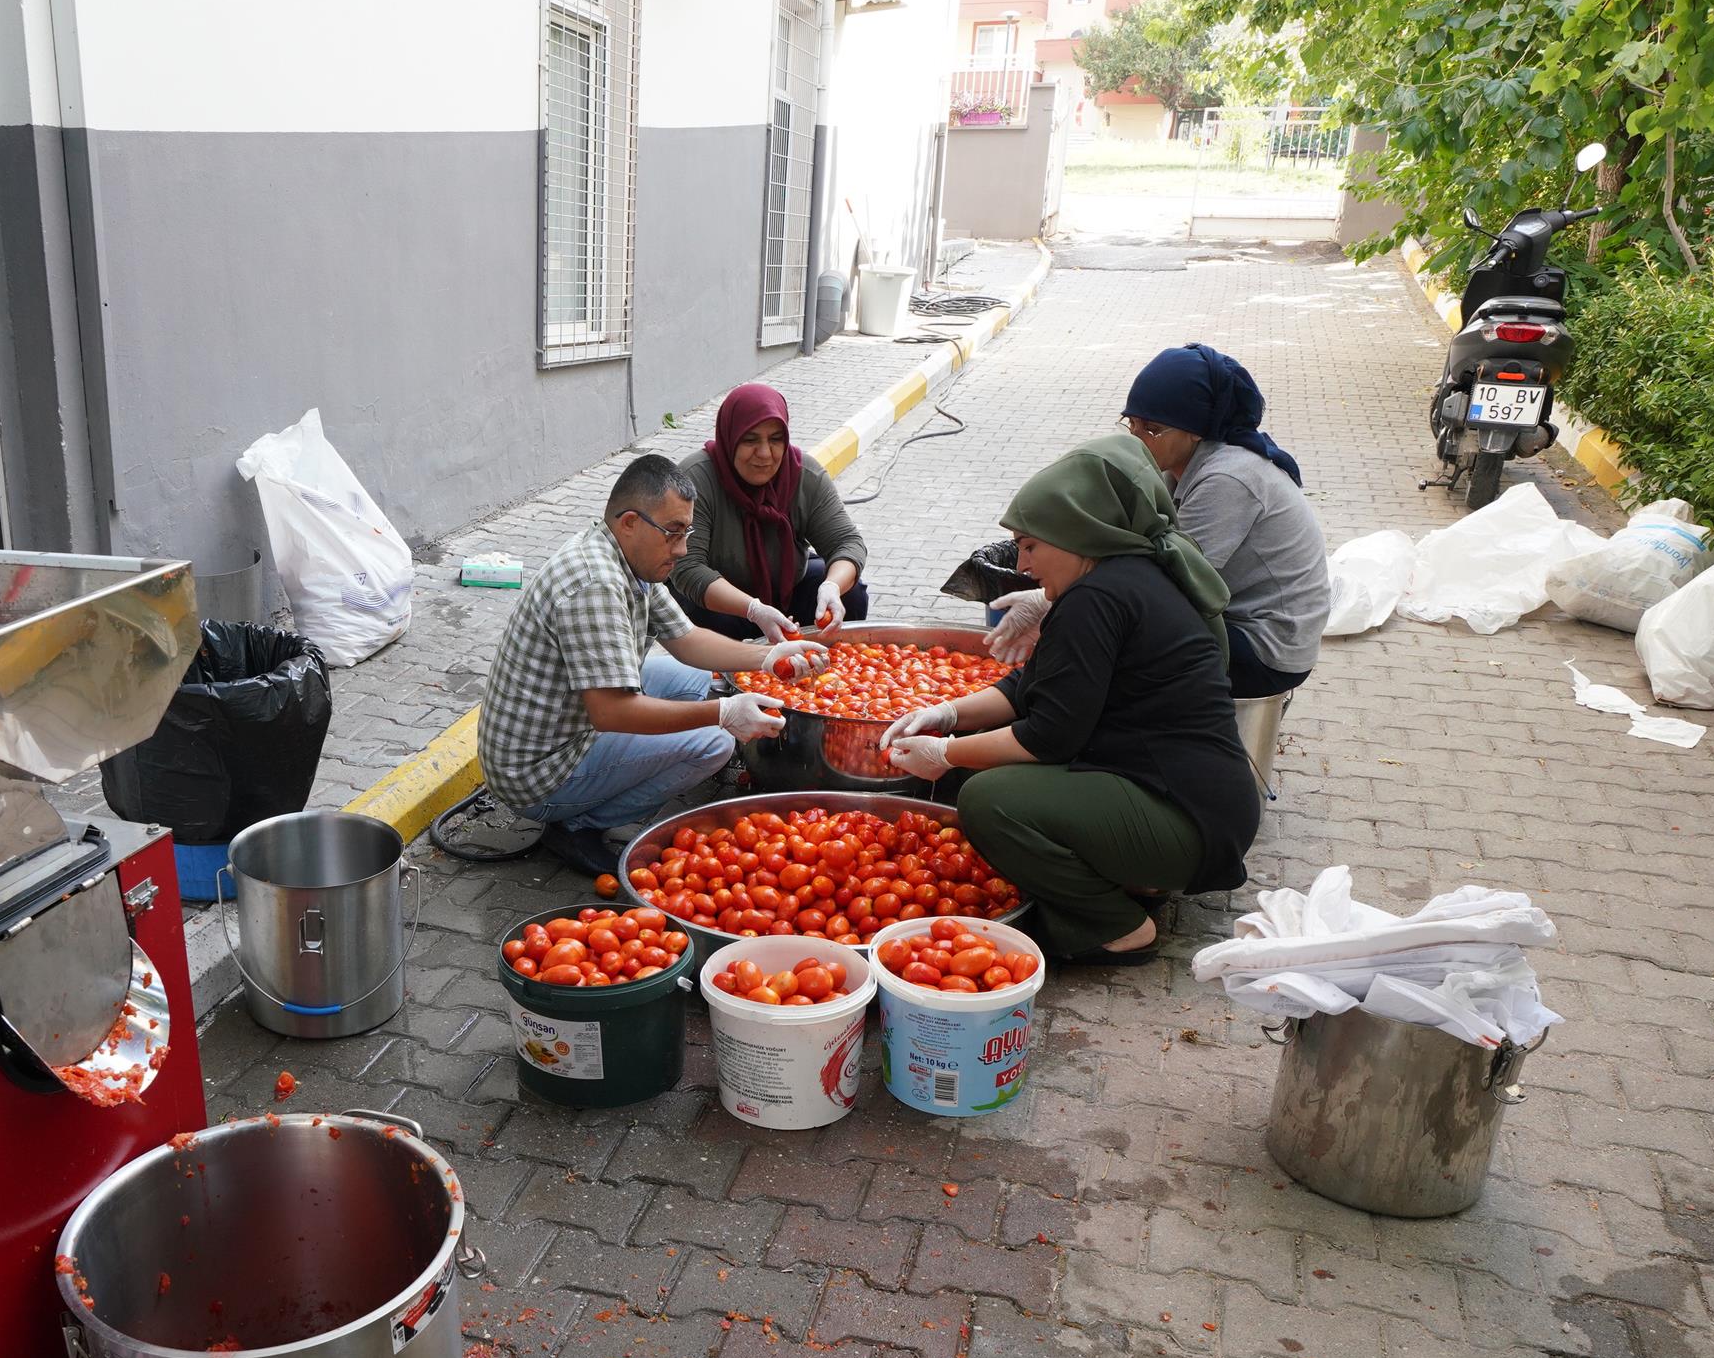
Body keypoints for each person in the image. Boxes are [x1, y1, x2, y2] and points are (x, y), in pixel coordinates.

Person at [881, 440, 1260, 965]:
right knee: (980, 767)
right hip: (1200, 805)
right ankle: (1130, 876)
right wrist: (949, 714)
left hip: (1186, 820)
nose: (1022, 564)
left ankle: (1118, 926)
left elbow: (1047, 737)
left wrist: (946, 752)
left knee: (988, 798)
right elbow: (1027, 689)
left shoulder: (1098, 599)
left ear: (1079, 535)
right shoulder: (1125, 578)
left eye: (1031, 547)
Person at [480, 452, 828, 878]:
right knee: (713, 743)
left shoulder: (626, 556)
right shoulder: (596, 583)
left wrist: (766, 655)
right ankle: (576, 824)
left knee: (699, 680)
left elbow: (686, 641)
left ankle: (596, 800)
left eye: (687, 531)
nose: (682, 549)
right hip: (539, 771)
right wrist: (723, 715)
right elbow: (614, 712)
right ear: (630, 522)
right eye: (673, 533)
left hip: (568, 716)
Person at [989, 344, 1325, 700]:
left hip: (1264, 648)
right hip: (1229, 618)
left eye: (1152, 428)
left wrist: (1051, 604)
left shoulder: (1229, 479)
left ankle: (1113, 741)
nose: (1138, 439)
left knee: (1107, 646)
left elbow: (1168, 581)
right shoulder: (1176, 468)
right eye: (1131, 424)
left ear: (1196, 430)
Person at [669, 383, 873, 641]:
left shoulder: (803, 475)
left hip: (786, 593)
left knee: (850, 593)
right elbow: (687, 567)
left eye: (776, 439)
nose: (764, 454)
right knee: (702, 611)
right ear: (730, 438)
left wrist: (832, 586)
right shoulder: (697, 478)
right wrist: (753, 609)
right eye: (750, 440)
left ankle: (824, 673)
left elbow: (847, 542)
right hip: (721, 603)